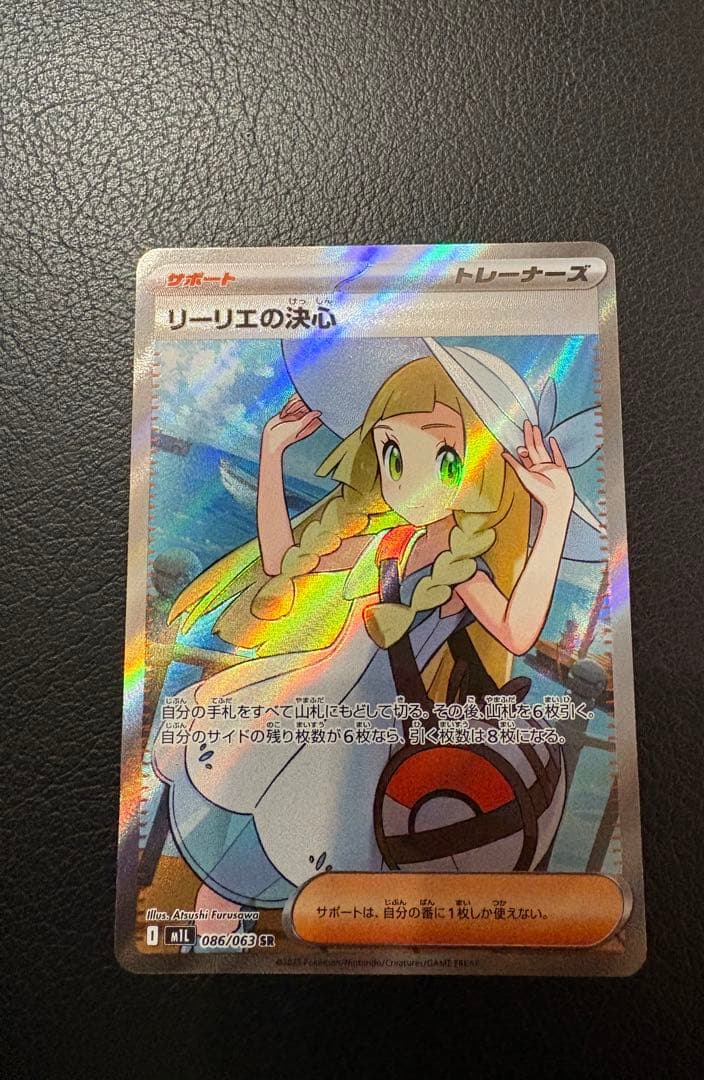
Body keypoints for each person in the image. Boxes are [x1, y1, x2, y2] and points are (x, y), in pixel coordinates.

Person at [151, 339, 600, 939]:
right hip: (305, 709)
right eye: (392, 453)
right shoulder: (391, 540)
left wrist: (557, 511)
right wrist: (272, 454)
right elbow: (283, 559)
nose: (407, 479)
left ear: (484, 474)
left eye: (445, 459)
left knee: (291, 876)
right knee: (234, 878)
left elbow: (518, 631)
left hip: (361, 743)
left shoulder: (458, 564)